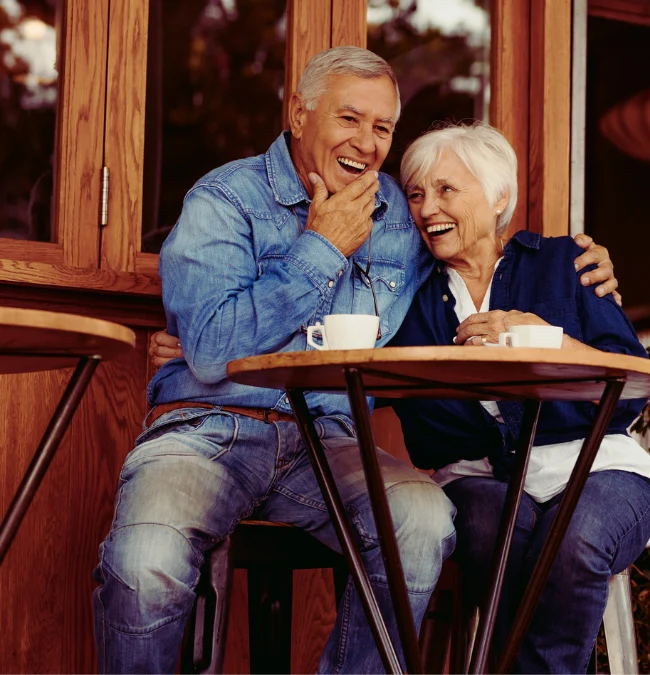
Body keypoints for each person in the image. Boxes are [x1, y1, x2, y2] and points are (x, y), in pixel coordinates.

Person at [105, 47, 619, 674]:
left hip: (329, 438)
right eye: (350, 119)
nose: (367, 143)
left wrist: (574, 264)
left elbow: (476, 242)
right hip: (211, 426)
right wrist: (321, 249)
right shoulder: (224, 200)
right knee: (144, 561)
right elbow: (212, 351)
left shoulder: (402, 218)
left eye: (382, 129)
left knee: (424, 522)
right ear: (298, 113)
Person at [388, 122, 650, 674]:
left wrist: (546, 340)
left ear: (499, 199)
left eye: (446, 190)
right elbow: (421, 426)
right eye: (416, 194)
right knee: (495, 533)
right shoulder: (409, 297)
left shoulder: (565, 263)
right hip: (479, 478)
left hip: (598, 469)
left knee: (575, 540)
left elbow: (630, 390)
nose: (426, 208)